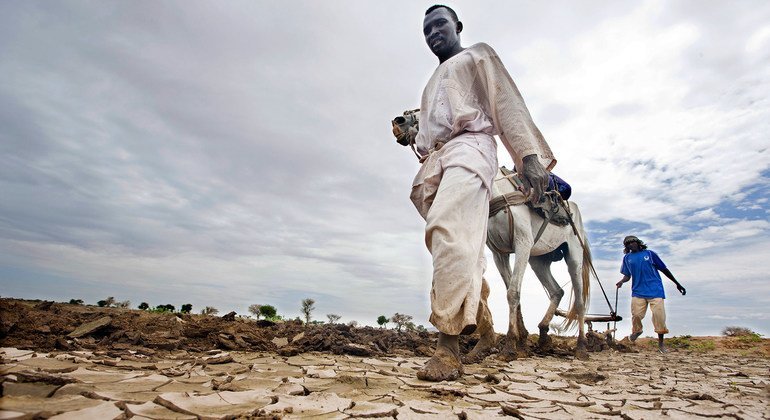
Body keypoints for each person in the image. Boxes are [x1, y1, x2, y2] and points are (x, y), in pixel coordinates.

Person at [411, 5, 556, 381]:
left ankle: (448, 348)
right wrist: (413, 134)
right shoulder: (431, 82)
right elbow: (431, 129)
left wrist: (528, 156)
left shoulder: (478, 54)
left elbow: (505, 101)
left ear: (457, 26)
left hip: (470, 148)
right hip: (436, 160)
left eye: (440, 24)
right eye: (427, 29)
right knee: (462, 245)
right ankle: (486, 328)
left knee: (448, 229)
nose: (433, 33)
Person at [616, 235, 686, 353]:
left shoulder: (650, 254)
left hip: (655, 290)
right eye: (627, 244)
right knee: (636, 315)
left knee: (659, 316)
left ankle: (661, 344)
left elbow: (664, 269)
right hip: (638, 291)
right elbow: (627, 275)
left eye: (632, 242)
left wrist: (677, 283)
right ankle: (637, 331)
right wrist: (622, 281)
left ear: (638, 243)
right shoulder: (627, 258)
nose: (630, 245)